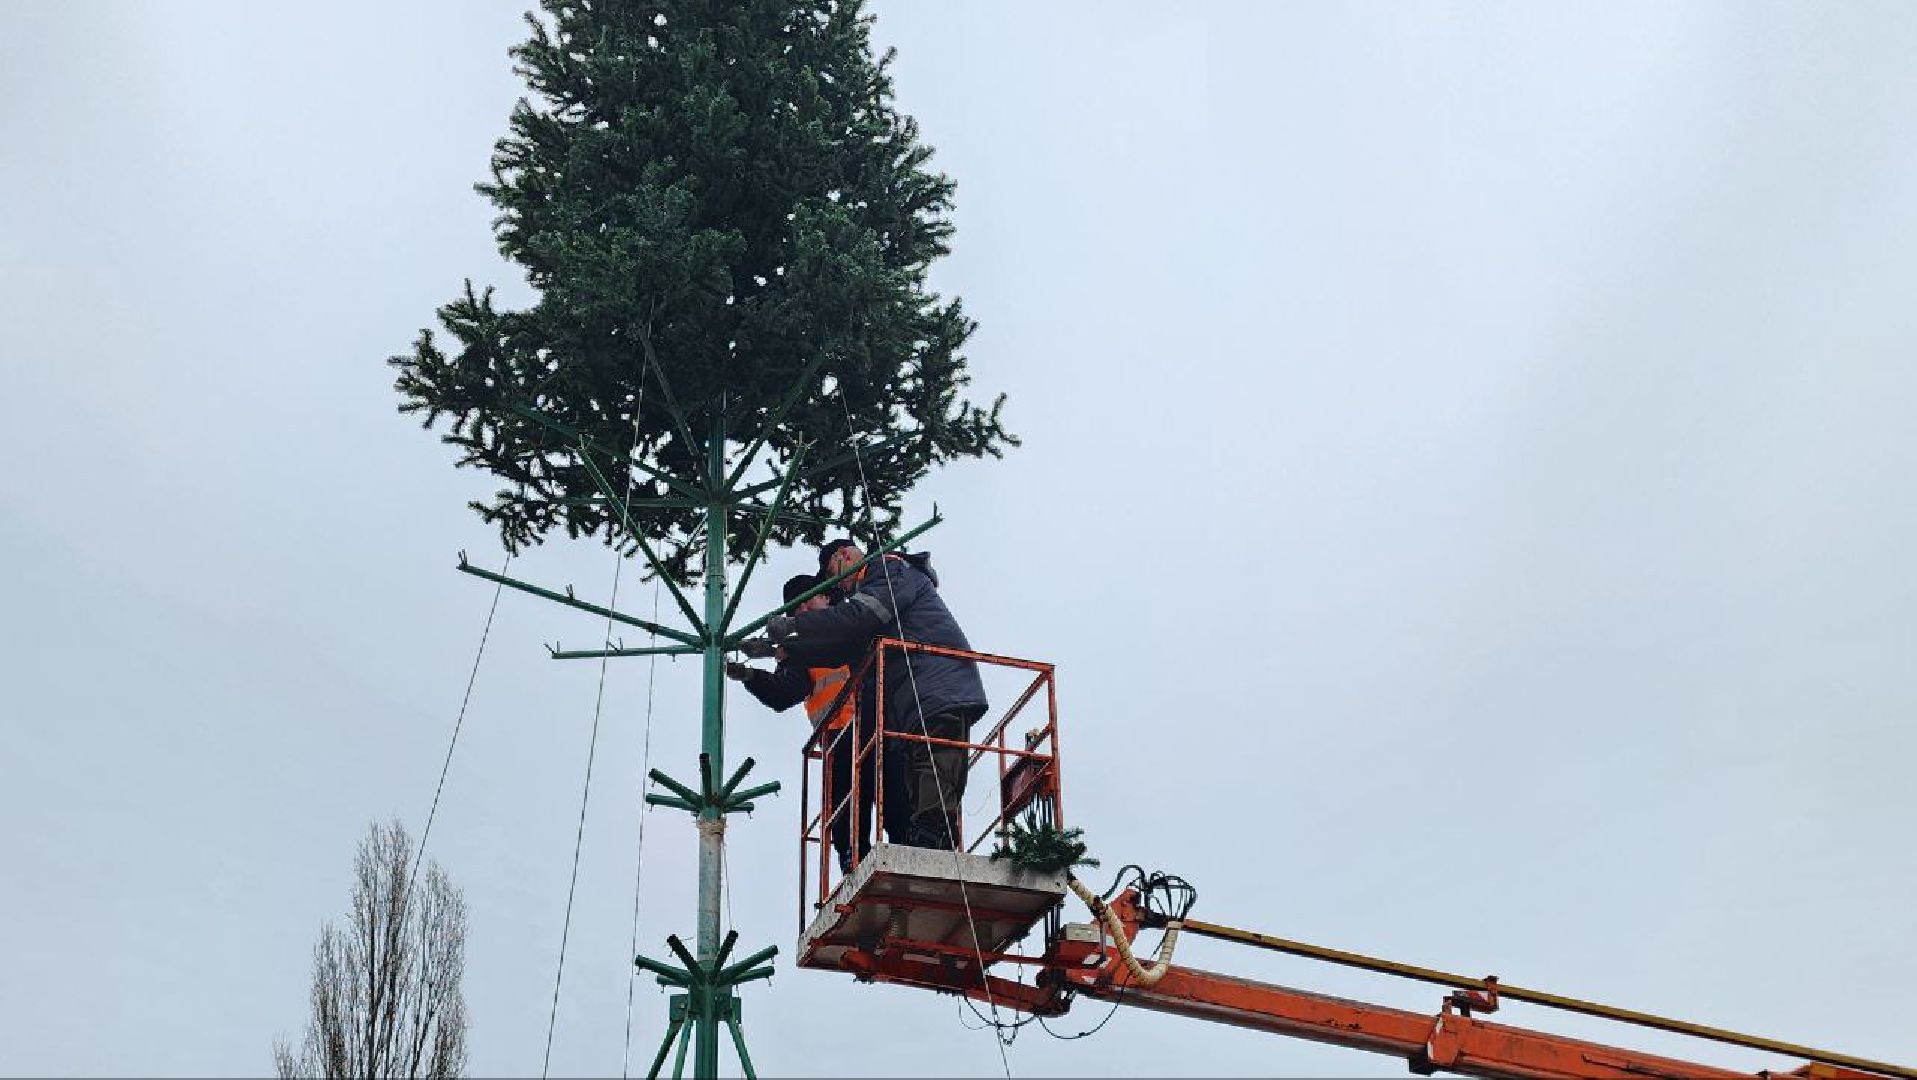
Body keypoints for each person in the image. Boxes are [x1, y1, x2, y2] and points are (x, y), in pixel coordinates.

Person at [768, 540, 988, 850]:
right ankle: (928, 838)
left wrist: (795, 625)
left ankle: (932, 839)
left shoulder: (890, 571)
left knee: (935, 762)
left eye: (836, 575)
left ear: (845, 556)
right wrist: (786, 649)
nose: (840, 588)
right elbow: (842, 648)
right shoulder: (876, 589)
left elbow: (858, 619)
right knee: (921, 769)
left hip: (936, 685)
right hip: (916, 695)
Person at [726, 574, 872, 873]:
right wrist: (751, 676)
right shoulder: (799, 651)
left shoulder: (849, 623)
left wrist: (774, 648)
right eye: (794, 610)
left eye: (809, 600)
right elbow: (786, 692)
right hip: (834, 732)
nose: (802, 610)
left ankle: (902, 844)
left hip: (872, 720)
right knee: (843, 799)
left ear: (828, 598)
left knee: (885, 787)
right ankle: (852, 856)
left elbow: (838, 641)